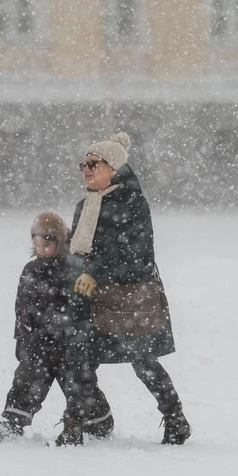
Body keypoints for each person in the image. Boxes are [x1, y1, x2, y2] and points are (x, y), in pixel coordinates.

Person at [56, 132, 191, 446]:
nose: (86, 169)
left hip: (129, 297)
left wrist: (96, 272)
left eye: (94, 164)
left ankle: (175, 418)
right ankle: (75, 426)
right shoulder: (85, 205)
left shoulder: (132, 202)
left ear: (113, 168)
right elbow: (77, 252)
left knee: (143, 360)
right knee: (79, 360)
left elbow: (136, 254)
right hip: (88, 300)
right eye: (83, 164)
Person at [0, 211, 113, 442]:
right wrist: (22, 340)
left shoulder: (74, 269)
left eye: (47, 241)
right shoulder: (31, 270)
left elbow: (85, 309)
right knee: (26, 380)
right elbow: (22, 309)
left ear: (59, 240)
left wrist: (83, 342)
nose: (41, 246)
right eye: (36, 241)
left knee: (80, 385)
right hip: (39, 344)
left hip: (69, 345)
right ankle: (12, 422)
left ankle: (98, 421)